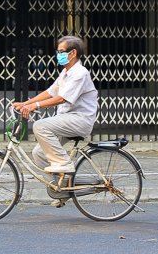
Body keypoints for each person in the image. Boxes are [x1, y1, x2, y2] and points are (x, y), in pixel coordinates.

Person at [12, 35, 98, 178]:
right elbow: (50, 92)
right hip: (66, 119)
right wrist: (25, 103)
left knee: (40, 126)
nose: (58, 55)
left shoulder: (80, 73)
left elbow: (62, 98)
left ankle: (63, 162)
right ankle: (61, 188)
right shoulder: (66, 73)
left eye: (61, 51)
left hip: (79, 120)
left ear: (73, 53)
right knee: (39, 153)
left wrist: (36, 106)